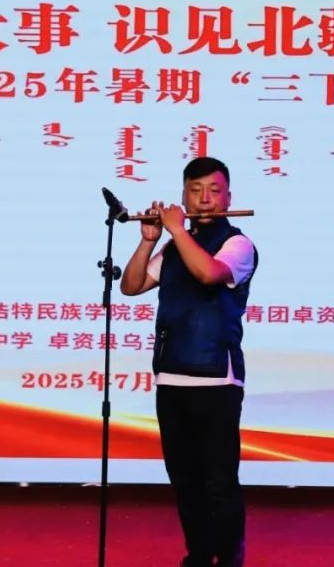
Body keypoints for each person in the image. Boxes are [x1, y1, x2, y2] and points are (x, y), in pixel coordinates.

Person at [120, 156, 257, 567]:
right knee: (184, 478)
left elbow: (209, 274)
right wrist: (149, 240)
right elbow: (132, 286)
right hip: (171, 375)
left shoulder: (238, 244)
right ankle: (198, 553)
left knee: (218, 479)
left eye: (214, 191)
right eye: (195, 191)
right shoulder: (173, 247)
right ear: (184, 196)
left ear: (228, 197)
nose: (205, 199)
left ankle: (228, 556)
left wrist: (178, 230)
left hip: (216, 379)